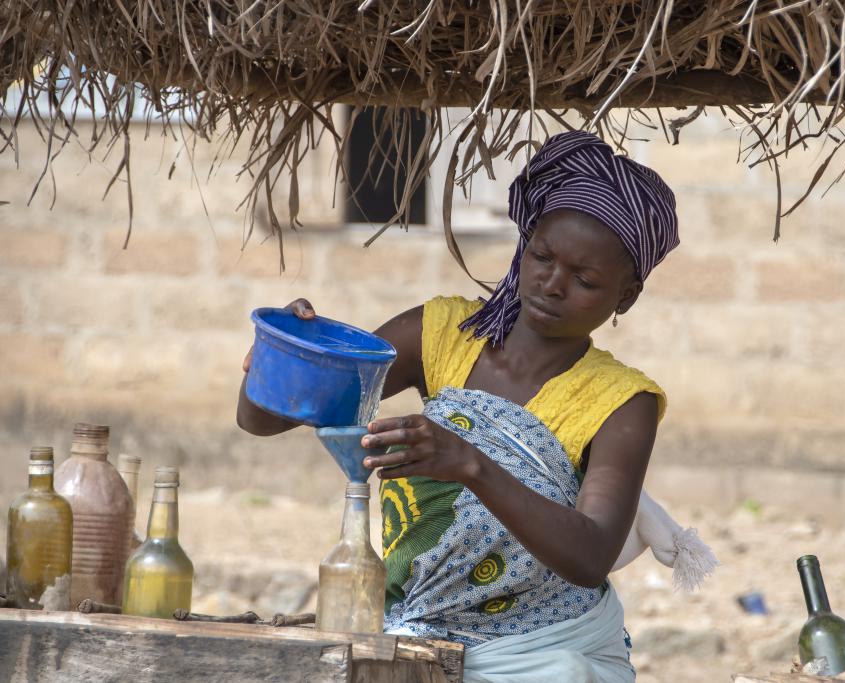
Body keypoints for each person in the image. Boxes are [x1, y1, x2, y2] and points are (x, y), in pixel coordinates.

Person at [237, 131, 714, 683]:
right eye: (541, 256)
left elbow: (590, 557)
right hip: (414, 631)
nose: (552, 284)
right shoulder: (441, 334)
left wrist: (471, 465)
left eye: (585, 280)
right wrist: (287, 356)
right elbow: (261, 421)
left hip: (541, 650)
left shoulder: (620, 402)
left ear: (625, 296)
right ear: (524, 244)